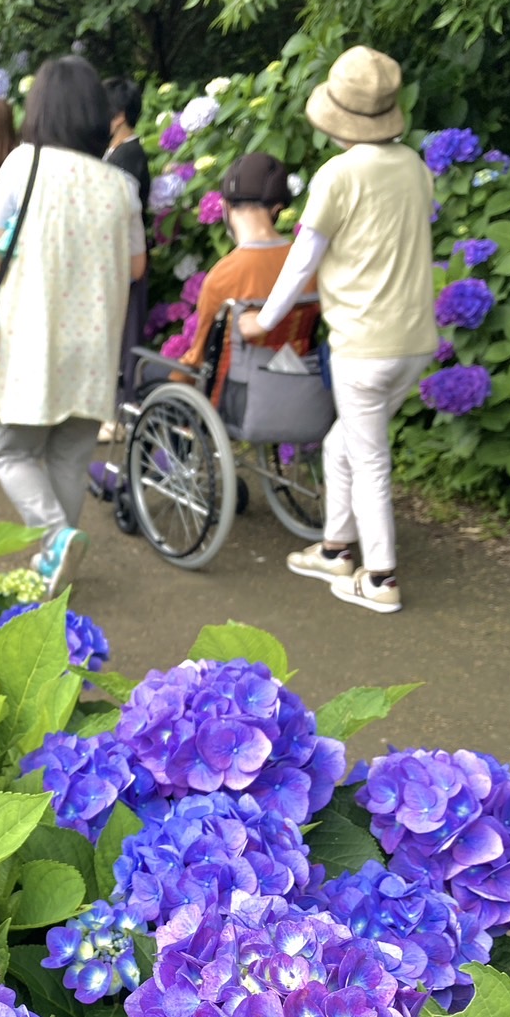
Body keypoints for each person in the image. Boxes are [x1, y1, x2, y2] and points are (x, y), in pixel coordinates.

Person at [239, 46, 437, 615]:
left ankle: (380, 578)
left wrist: (263, 321)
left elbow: (302, 260)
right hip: (414, 341)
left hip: (362, 345)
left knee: (369, 458)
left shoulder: (338, 176)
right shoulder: (415, 166)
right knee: (341, 443)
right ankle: (334, 548)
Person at [0, 55, 147, 597]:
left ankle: (56, 539)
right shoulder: (121, 184)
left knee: (11, 452)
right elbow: (137, 266)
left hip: (33, 339)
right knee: (70, 460)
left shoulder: (22, 165)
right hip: (94, 346)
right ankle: (56, 567)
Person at [183, 151, 310, 380]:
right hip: (299, 382)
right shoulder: (307, 263)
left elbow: (198, 357)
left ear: (226, 206)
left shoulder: (223, 275)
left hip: (235, 390)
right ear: (277, 209)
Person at [103, 76, 152, 435]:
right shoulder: (119, 153)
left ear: (118, 115)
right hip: (119, 260)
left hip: (125, 260)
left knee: (124, 340)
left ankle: (120, 417)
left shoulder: (127, 156)